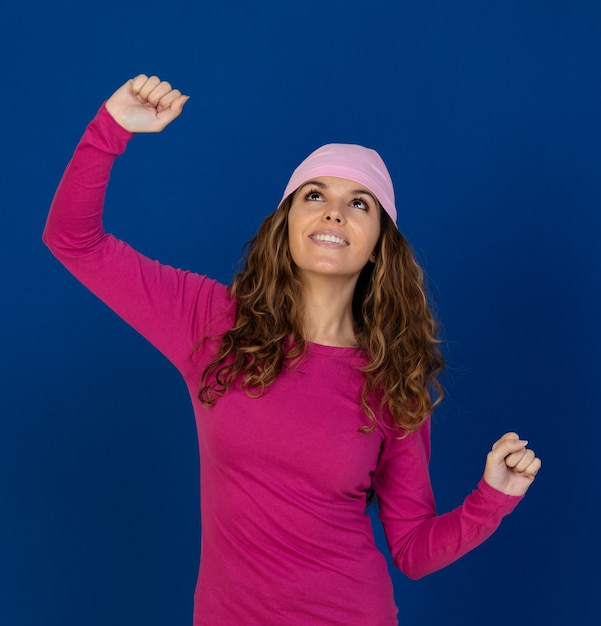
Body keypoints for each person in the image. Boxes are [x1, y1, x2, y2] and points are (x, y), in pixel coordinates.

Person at [43, 74, 541, 626]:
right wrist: (111, 127)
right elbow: (73, 240)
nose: (334, 213)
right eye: (315, 195)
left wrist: (493, 496)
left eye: (359, 203)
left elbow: (413, 551)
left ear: (379, 245)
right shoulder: (211, 323)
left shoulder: (393, 379)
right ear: (287, 224)